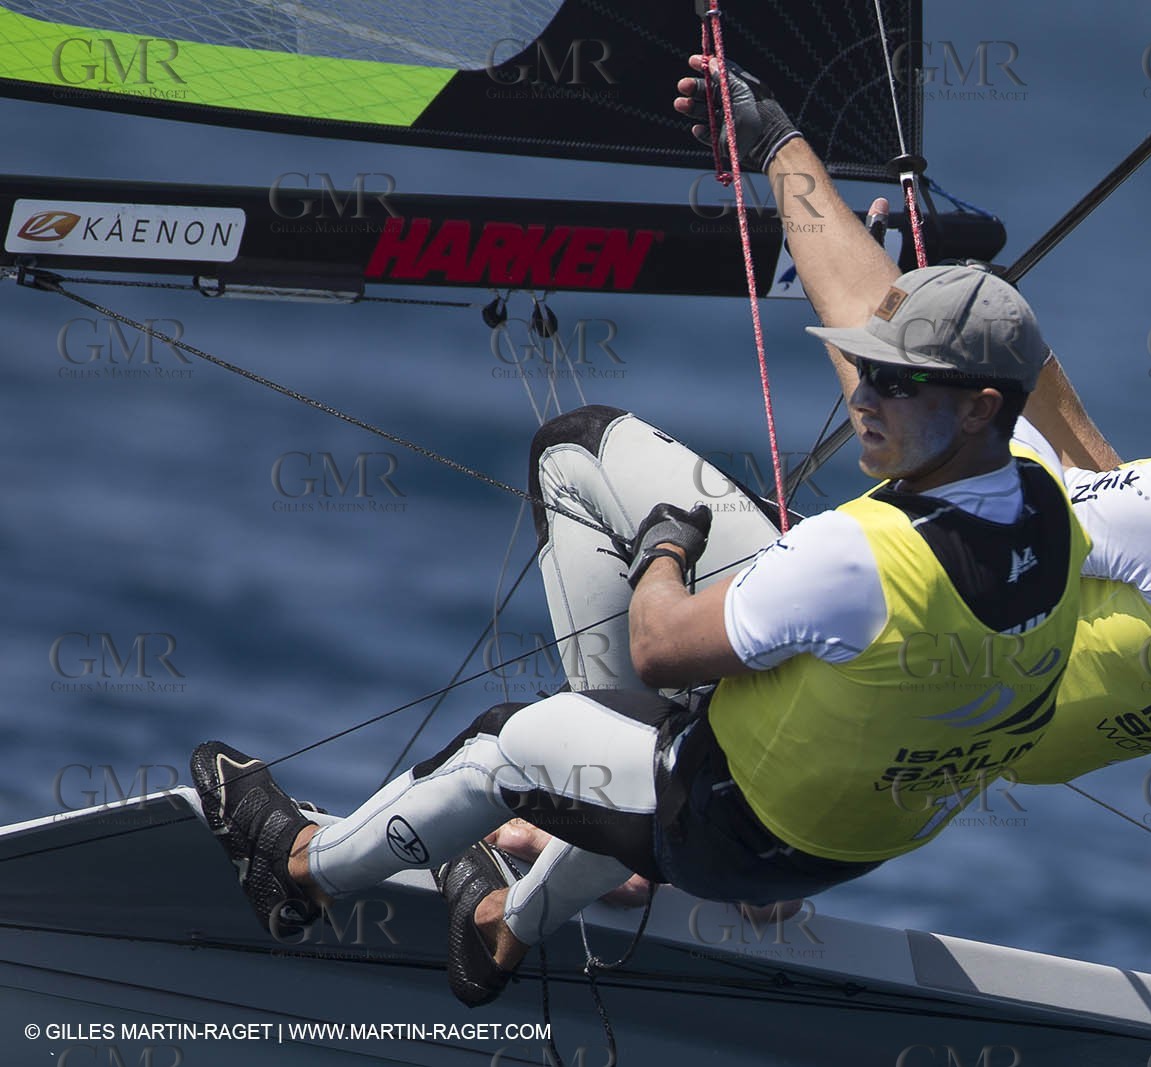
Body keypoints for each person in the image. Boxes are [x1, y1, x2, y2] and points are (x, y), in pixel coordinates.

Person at [191, 257, 1088, 1006]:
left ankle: (302, 870)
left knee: (510, 742)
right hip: (865, 834)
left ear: (977, 406)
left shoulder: (856, 555)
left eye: (897, 380)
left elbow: (658, 645)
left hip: (733, 833)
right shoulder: (1052, 504)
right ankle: (500, 929)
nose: (865, 396)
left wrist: (663, 546)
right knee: (622, 705)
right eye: (865, 367)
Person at [676, 55, 1151, 788]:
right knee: (939, 381)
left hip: (869, 719)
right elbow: (1123, 515)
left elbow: (993, 506)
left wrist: (928, 317)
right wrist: (978, 316)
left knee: (897, 396)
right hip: (936, 776)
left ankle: (774, 144)